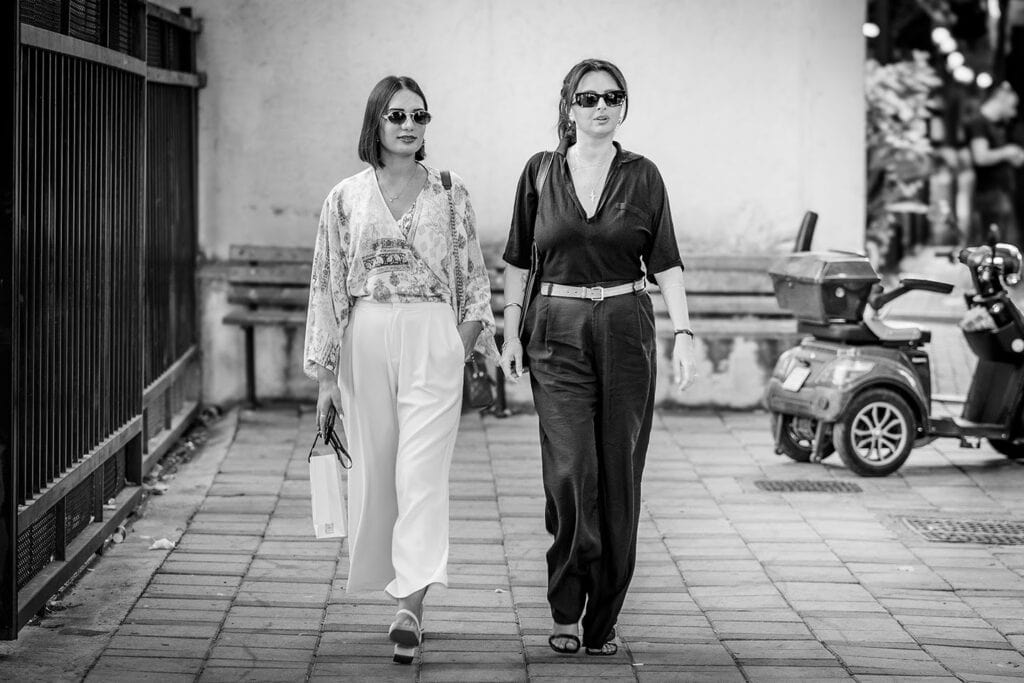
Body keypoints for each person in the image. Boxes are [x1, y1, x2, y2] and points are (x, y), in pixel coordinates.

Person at [499, 58, 697, 657]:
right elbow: (516, 260)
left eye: (612, 98)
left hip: (625, 328)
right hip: (555, 331)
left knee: (617, 479)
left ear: (623, 106)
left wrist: (683, 333)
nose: (601, 108)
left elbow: (664, 261)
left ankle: (601, 619)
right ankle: (566, 603)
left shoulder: (643, 175)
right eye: (588, 99)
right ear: (569, 107)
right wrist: (510, 333)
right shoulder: (539, 173)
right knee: (570, 472)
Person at [303, 75, 497, 664]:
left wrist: (456, 347)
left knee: (421, 474)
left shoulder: (449, 189)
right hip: (365, 334)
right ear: (377, 124)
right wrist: (326, 379)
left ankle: (409, 608)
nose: (409, 125)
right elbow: (327, 285)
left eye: (419, 115)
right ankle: (395, 584)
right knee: (379, 472)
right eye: (397, 115)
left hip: (431, 332)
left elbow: (474, 278)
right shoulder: (345, 197)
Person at [966, 81, 1024, 247]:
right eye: (1012, 107)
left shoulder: (998, 125)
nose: (1013, 113)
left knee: (1005, 248)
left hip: (1002, 192)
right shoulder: (979, 122)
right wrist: (1007, 152)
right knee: (994, 248)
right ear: (1001, 100)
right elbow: (980, 157)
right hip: (990, 194)